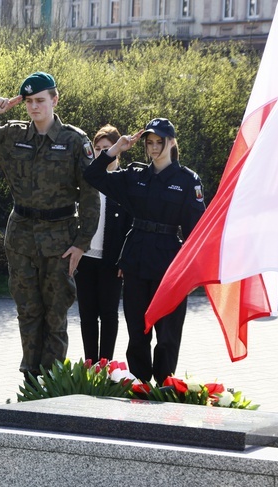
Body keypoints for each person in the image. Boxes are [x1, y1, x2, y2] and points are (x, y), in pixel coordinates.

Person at [0, 71, 100, 381]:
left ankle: (52, 381)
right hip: (21, 235)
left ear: (54, 100)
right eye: (29, 102)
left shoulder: (75, 140)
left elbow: (89, 195)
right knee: (28, 311)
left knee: (55, 313)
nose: (34, 107)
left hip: (60, 236)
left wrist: (82, 243)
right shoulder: (12, 136)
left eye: (40, 101)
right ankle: (31, 377)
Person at [83, 118, 205, 384]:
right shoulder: (135, 176)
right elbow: (92, 175)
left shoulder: (187, 181)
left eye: (159, 142)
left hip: (169, 264)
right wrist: (115, 149)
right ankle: (138, 385)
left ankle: (165, 384)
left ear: (171, 142)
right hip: (136, 259)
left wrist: (191, 272)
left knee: (167, 332)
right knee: (137, 330)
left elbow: (196, 232)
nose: (153, 147)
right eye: (149, 142)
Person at [75, 125, 132, 362]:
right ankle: (90, 365)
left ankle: (105, 365)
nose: (100, 153)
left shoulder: (126, 182)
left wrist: (125, 259)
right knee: (87, 315)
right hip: (85, 258)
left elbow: (132, 224)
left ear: (118, 149)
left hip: (111, 260)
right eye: (97, 148)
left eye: (106, 148)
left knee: (108, 314)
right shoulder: (87, 180)